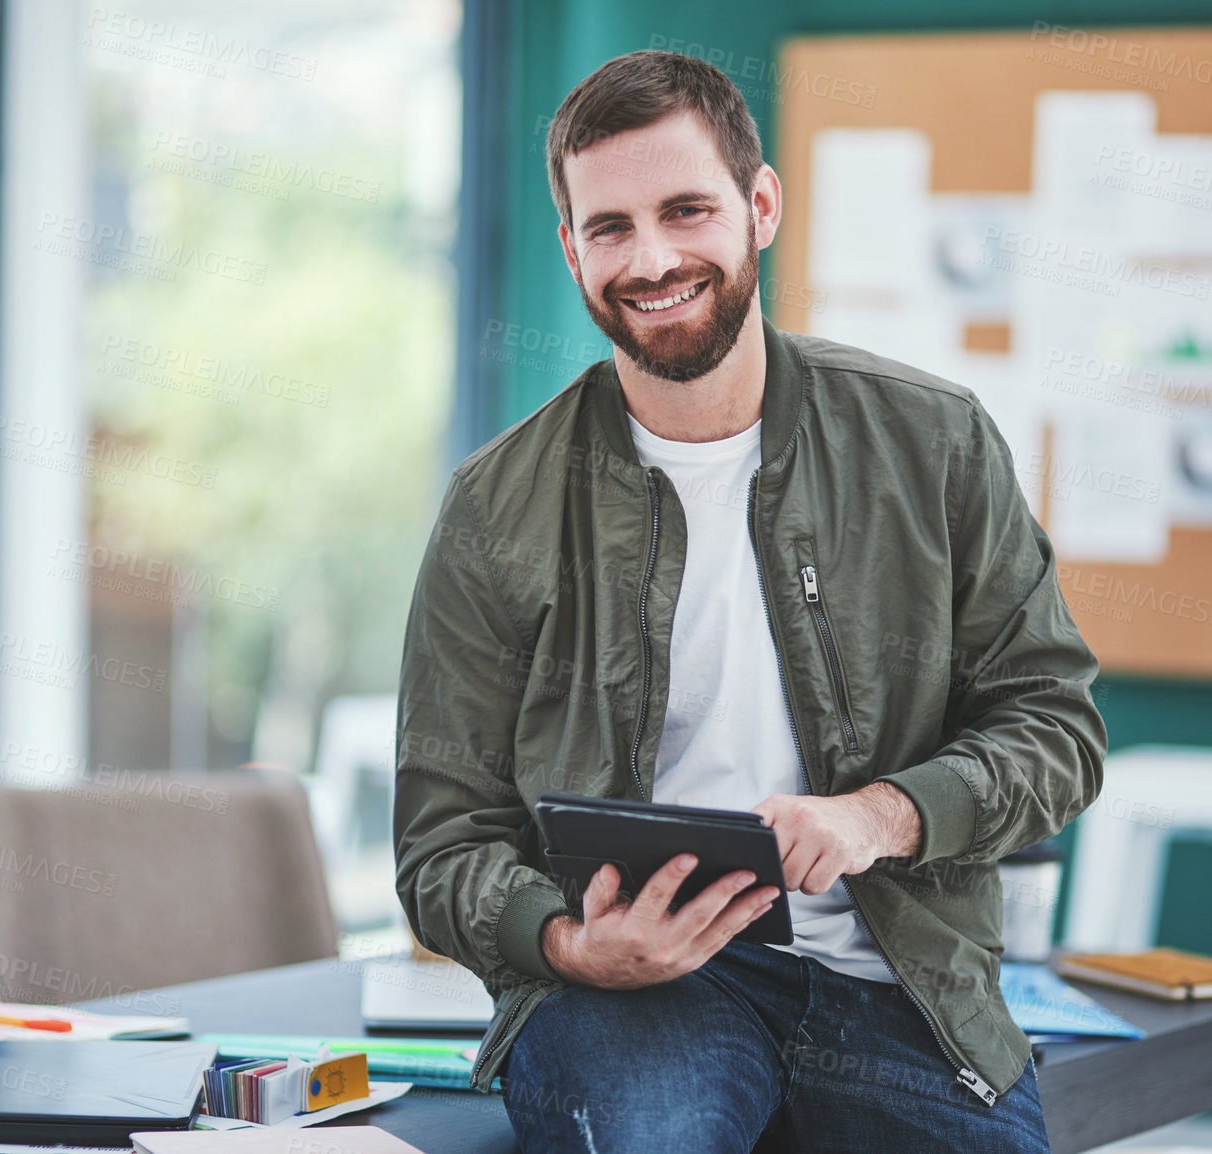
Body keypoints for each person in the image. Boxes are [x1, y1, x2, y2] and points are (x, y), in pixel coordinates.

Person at [393, 48, 1107, 1153]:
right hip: (629, 998)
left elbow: (1056, 728)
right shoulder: (496, 506)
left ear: (760, 204)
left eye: (686, 209)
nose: (654, 257)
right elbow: (443, 844)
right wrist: (572, 944)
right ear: (571, 247)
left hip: (899, 987)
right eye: (611, 227)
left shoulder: (934, 441)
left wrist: (880, 815)